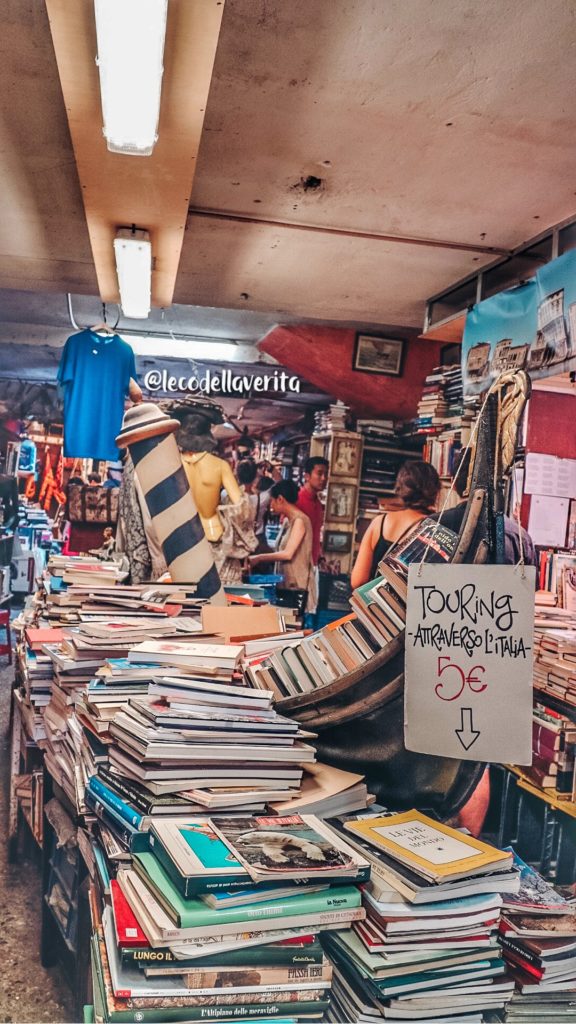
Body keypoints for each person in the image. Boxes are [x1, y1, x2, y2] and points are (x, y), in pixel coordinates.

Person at [436, 448, 538, 567]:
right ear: (496, 483)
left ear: (453, 484)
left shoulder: (433, 526)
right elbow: (530, 583)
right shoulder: (519, 537)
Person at [351, 460, 441, 588]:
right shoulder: (435, 529)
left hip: (376, 605)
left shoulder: (379, 523)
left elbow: (358, 581)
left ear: (400, 488)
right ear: (435, 491)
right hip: (409, 606)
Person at [249, 479, 316, 607]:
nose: (271, 505)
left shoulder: (300, 521)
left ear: (280, 499)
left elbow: (287, 554)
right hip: (286, 584)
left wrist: (258, 558)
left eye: (272, 501)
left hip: (297, 587)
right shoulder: (288, 522)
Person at [297, 456, 329, 568]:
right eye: (319, 474)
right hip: (298, 562)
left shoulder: (318, 504)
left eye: (326, 474)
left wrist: (320, 557)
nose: (324, 478)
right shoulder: (297, 501)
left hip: (312, 563)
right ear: (307, 476)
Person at [237, 459, 270, 542]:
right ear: (255, 475)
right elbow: (280, 484)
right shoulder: (263, 498)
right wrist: (271, 468)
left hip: (238, 540)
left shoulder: (226, 495)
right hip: (257, 538)